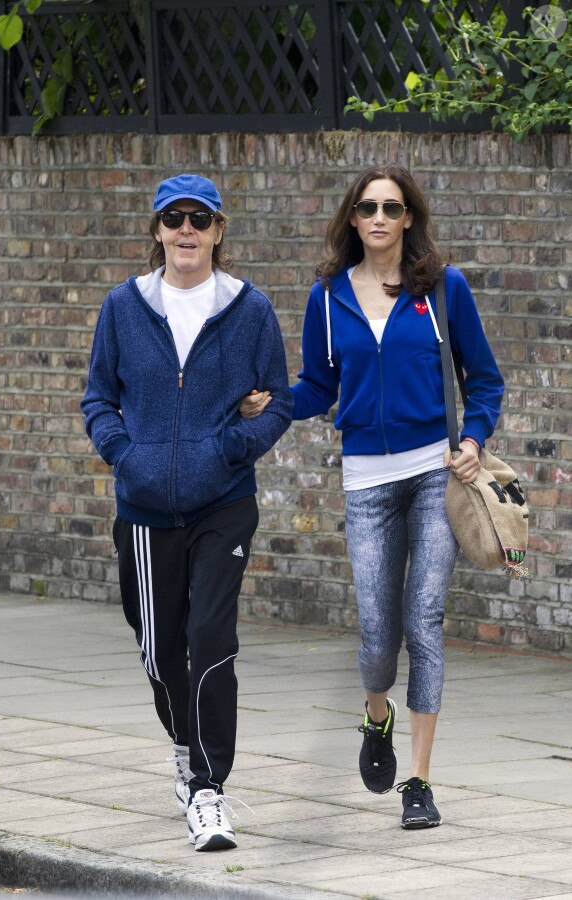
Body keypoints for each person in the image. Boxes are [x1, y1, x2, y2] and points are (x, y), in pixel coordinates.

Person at [241, 164, 504, 829]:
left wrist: (472, 439)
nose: (380, 218)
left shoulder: (444, 290)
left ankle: (419, 781)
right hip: (365, 480)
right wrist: (272, 402)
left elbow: (486, 380)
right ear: (352, 219)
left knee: (424, 619)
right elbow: (318, 388)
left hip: (435, 474)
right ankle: (376, 715)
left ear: (410, 217)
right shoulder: (328, 298)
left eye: (392, 207)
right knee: (378, 634)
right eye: (367, 208)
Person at [81, 174, 293, 851]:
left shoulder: (248, 309)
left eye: (199, 219)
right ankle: (183, 743)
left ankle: (208, 789)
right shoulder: (123, 307)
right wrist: (127, 456)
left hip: (223, 502)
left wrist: (234, 446)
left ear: (219, 231)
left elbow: (280, 402)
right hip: (144, 508)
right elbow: (97, 400)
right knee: (159, 648)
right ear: (157, 231)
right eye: (173, 219)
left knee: (210, 639)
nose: (186, 231)